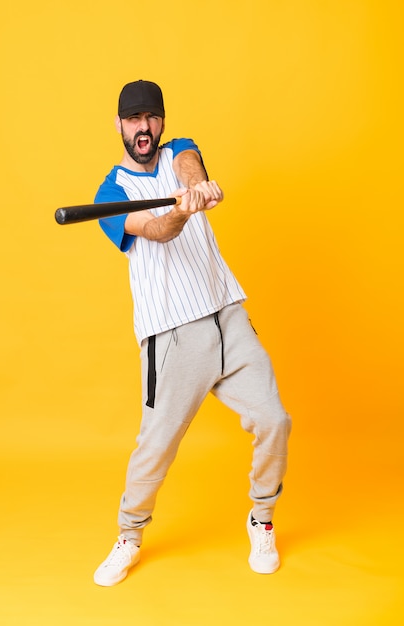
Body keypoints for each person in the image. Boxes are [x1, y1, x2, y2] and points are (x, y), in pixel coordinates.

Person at [92, 80, 291, 587]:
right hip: (172, 336)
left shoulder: (179, 151)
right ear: (118, 125)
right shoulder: (110, 193)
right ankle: (129, 536)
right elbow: (156, 231)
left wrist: (197, 188)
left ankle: (261, 517)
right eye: (133, 119)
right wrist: (180, 210)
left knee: (275, 419)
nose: (144, 128)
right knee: (155, 448)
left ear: (161, 121)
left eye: (151, 117)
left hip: (228, 316)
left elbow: (190, 167)